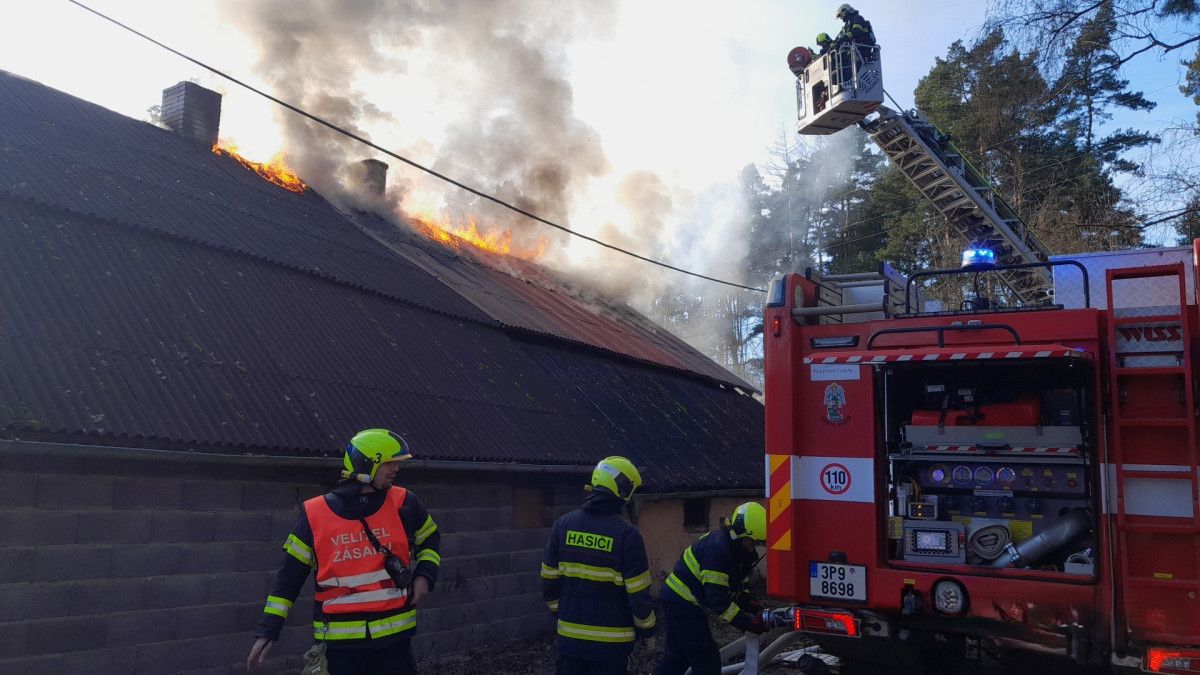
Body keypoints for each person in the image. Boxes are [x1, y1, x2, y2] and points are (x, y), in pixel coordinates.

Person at [246, 429, 442, 675]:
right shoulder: (315, 514)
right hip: (340, 648)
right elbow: (288, 579)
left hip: (395, 643)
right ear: (368, 463)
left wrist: (425, 574)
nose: (396, 470)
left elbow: (430, 539)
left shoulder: (404, 502)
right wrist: (268, 631)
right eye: (390, 463)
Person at [542, 456, 657, 675]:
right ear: (623, 490)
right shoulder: (627, 535)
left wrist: (561, 613)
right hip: (612, 648)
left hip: (570, 643)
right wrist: (648, 628)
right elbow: (638, 594)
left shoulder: (563, 526)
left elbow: (549, 581)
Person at [653, 502, 768, 675]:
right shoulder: (719, 552)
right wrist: (747, 623)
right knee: (706, 660)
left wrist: (747, 602)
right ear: (742, 534)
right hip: (682, 602)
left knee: (677, 657)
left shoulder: (734, 550)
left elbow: (735, 585)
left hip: (679, 599)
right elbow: (718, 600)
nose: (754, 548)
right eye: (753, 543)